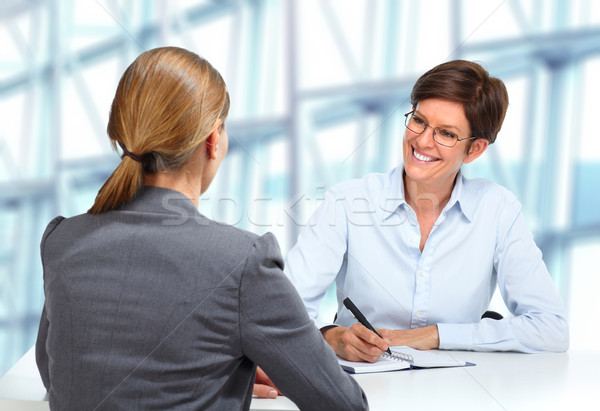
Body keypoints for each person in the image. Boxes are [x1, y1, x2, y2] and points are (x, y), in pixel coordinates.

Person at [35, 46, 368, 410]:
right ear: (213, 139)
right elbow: (343, 404)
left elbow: (56, 373)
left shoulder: (62, 240)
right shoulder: (242, 261)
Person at [284, 60, 569, 363]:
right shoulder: (347, 202)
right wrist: (329, 337)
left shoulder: (497, 210)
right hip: (360, 387)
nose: (421, 141)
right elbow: (284, 312)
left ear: (474, 149)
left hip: (457, 388)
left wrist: (436, 335)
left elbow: (551, 328)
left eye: (445, 134)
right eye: (418, 121)